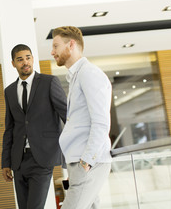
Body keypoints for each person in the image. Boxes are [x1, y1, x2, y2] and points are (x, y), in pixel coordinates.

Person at [51, 26, 112, 209]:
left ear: (71, 44)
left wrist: (86, 161)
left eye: (56, 46)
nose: (52, 52)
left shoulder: (89, 74)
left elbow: (101, 122)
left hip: (89, 163)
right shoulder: (77, 76)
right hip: (79, 163)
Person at [1, 44, 67, 209]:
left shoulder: (49, 83)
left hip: (43, 159)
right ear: (13, 63)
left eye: (28, 57)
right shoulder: (9, 91)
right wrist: (5, 163)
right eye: (20, 59)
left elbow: (67, 116)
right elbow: (10, 128)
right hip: (19, 161)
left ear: (32, 59)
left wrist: (74, 149)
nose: (25, 62)